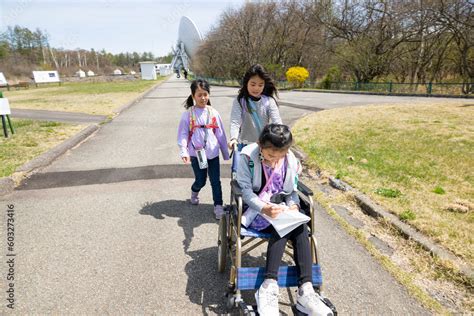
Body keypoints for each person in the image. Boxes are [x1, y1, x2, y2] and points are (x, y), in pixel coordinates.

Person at [236, 124, 333, 316]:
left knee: (299, 224)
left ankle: (306, 290)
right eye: (271, 155)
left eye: (280, 155)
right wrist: (264, 207)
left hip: (280, 208)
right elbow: (245, 191)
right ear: (259, 145)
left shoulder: (289, 160)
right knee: (285, 225)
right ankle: (269, 285)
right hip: (256, 208)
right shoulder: (247, 157)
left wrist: (294, 206)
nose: (275, 161)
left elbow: (291, 193)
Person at [177, 79, 230, 219]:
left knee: (215, 181)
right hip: (196, 154)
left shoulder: (213, 113)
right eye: (199, 95)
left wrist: (225, 153)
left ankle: (218, 205)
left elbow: (221, 134)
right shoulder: (188, 114)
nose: (203, 98)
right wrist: (184, 151)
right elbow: (182, 134)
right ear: (193, 95)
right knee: (201, 180)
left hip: (212, 154)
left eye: (205, 94)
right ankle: (195, 191)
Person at [228, 64, 282, 151]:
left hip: (264, 147)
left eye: (260, 85)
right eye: (253, 84)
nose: (256, 88)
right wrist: (233, 138)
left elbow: (277, 122)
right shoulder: (240, 101)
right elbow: (235, 122)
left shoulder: (269, 101)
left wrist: (281, 137)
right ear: (246, 83)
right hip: (244, 146)